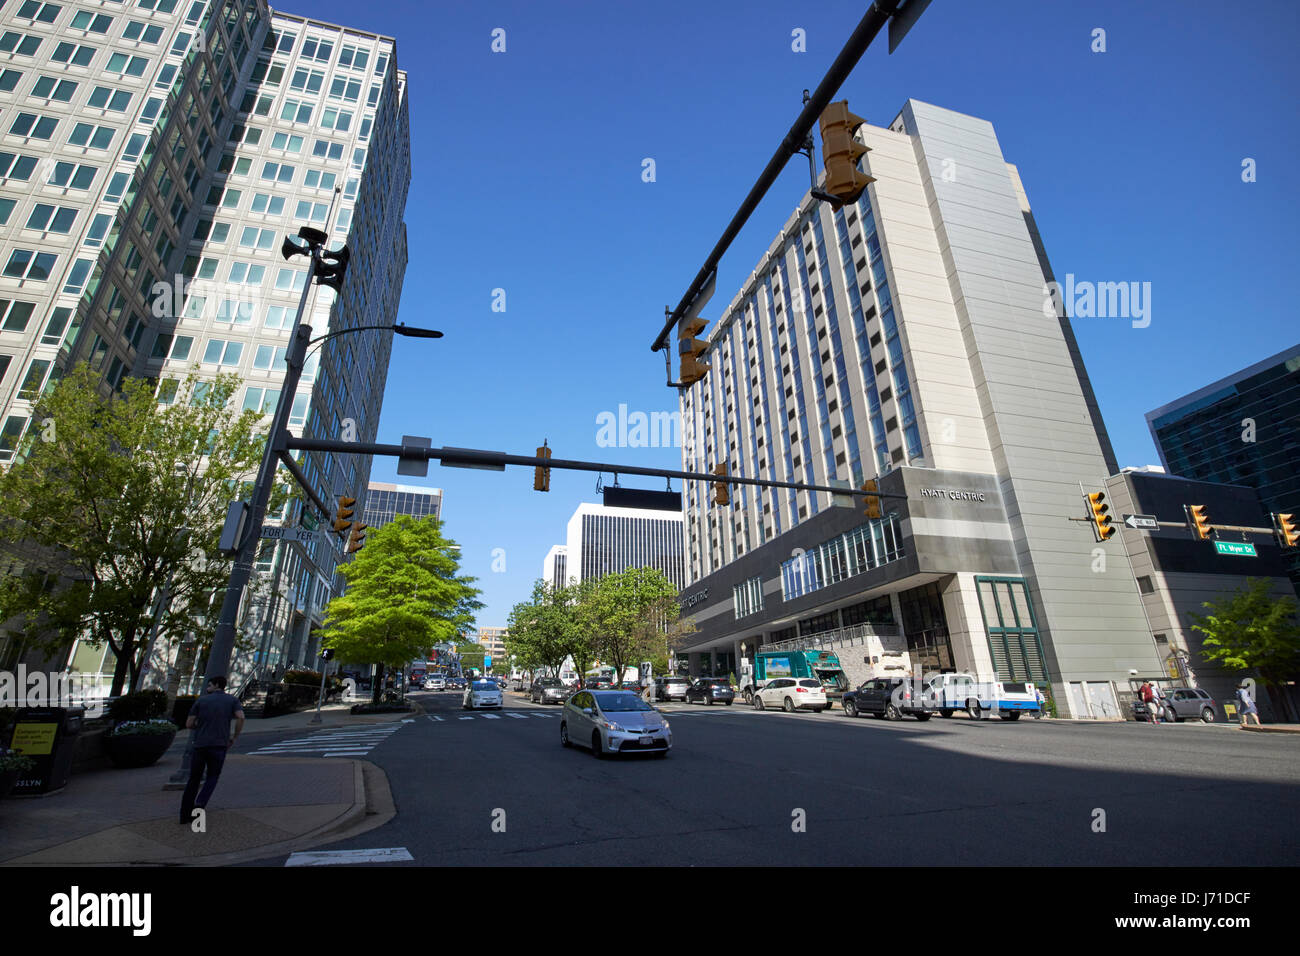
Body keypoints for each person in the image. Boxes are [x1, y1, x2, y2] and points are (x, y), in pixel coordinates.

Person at [179, 676, 245, 825]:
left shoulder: (201, 700)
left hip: (200, 744)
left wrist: (201, 727)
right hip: (219, 745)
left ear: (216, 685)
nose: (207, 688)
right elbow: (241, 717)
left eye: (209, 685)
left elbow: (189, 724)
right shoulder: (232, 700)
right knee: (212, 777)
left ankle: (184, 814)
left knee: (193, 779)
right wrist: (234, 737)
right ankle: (199, 806)